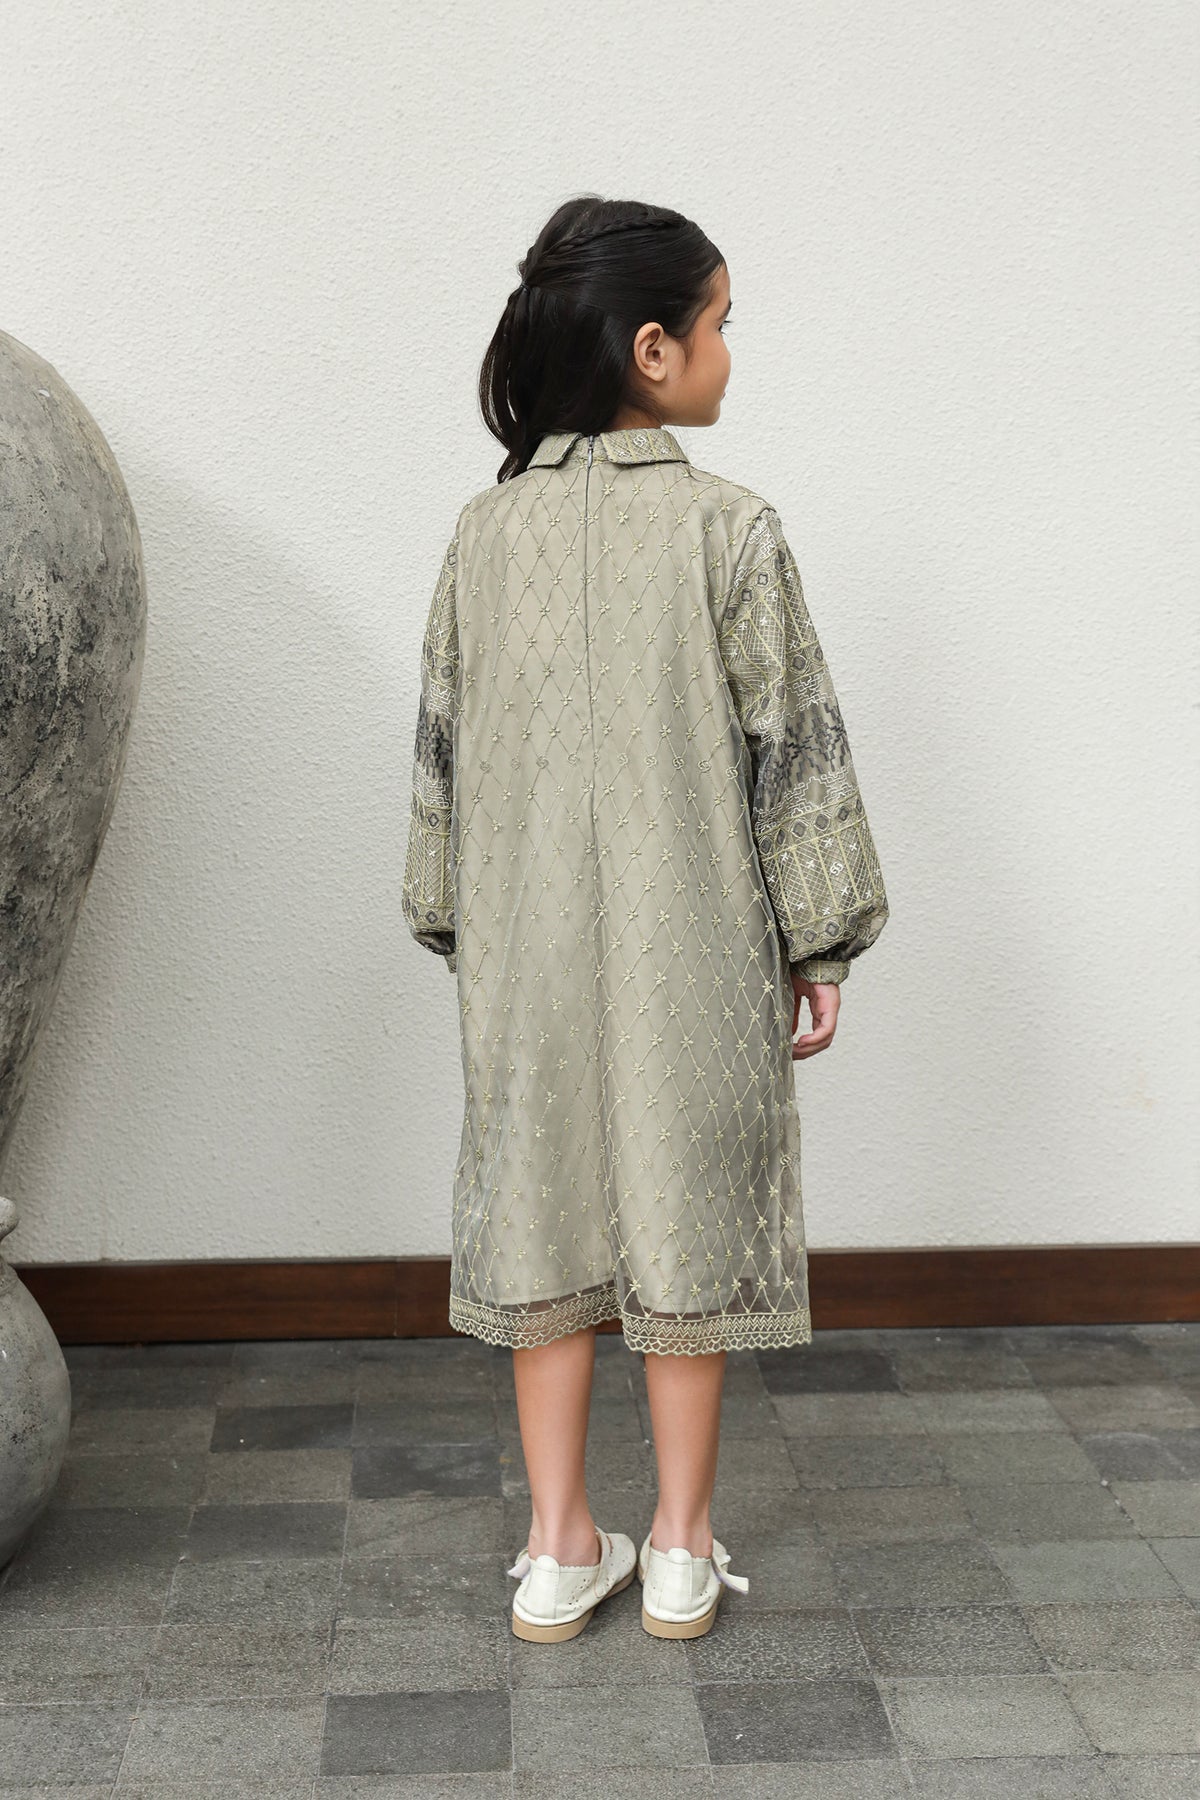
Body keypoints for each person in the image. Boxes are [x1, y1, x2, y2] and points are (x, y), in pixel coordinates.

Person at [402, 194, 890, 1643]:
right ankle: (679, 1544)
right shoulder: (733, 531)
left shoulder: (482, 537)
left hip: (526, 954)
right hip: (700, 944)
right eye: (723, 323)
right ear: (655, 348)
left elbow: (440, 756)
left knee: (541, 1210)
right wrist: (819, 936)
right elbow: (795, 748)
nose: (733, 349)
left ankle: (560, 1546)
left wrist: (455, 919)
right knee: (685, 1212)